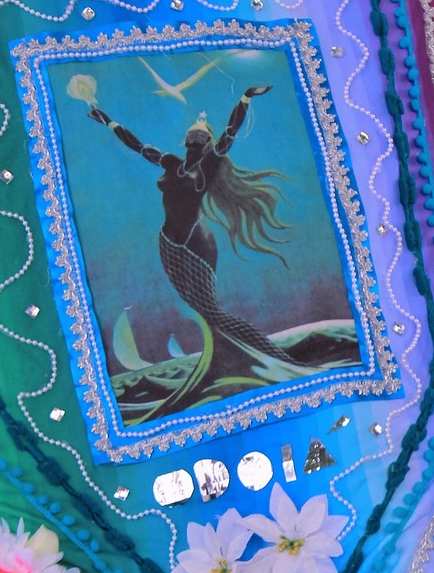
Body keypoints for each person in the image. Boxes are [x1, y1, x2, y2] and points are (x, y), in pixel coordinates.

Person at [87, 84, 298, 370]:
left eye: (200, 136)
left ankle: (273, 355)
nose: (193, 139)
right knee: (200, 309)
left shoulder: (209, 164)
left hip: (196, 244)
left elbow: (230, 131)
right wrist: (107, 121)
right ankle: (227, 355)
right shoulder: (171, 163)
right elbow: (138, 146)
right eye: (191, 135)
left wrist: (245, 97)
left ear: (208, 142)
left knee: (212, 310)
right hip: (168, 243)